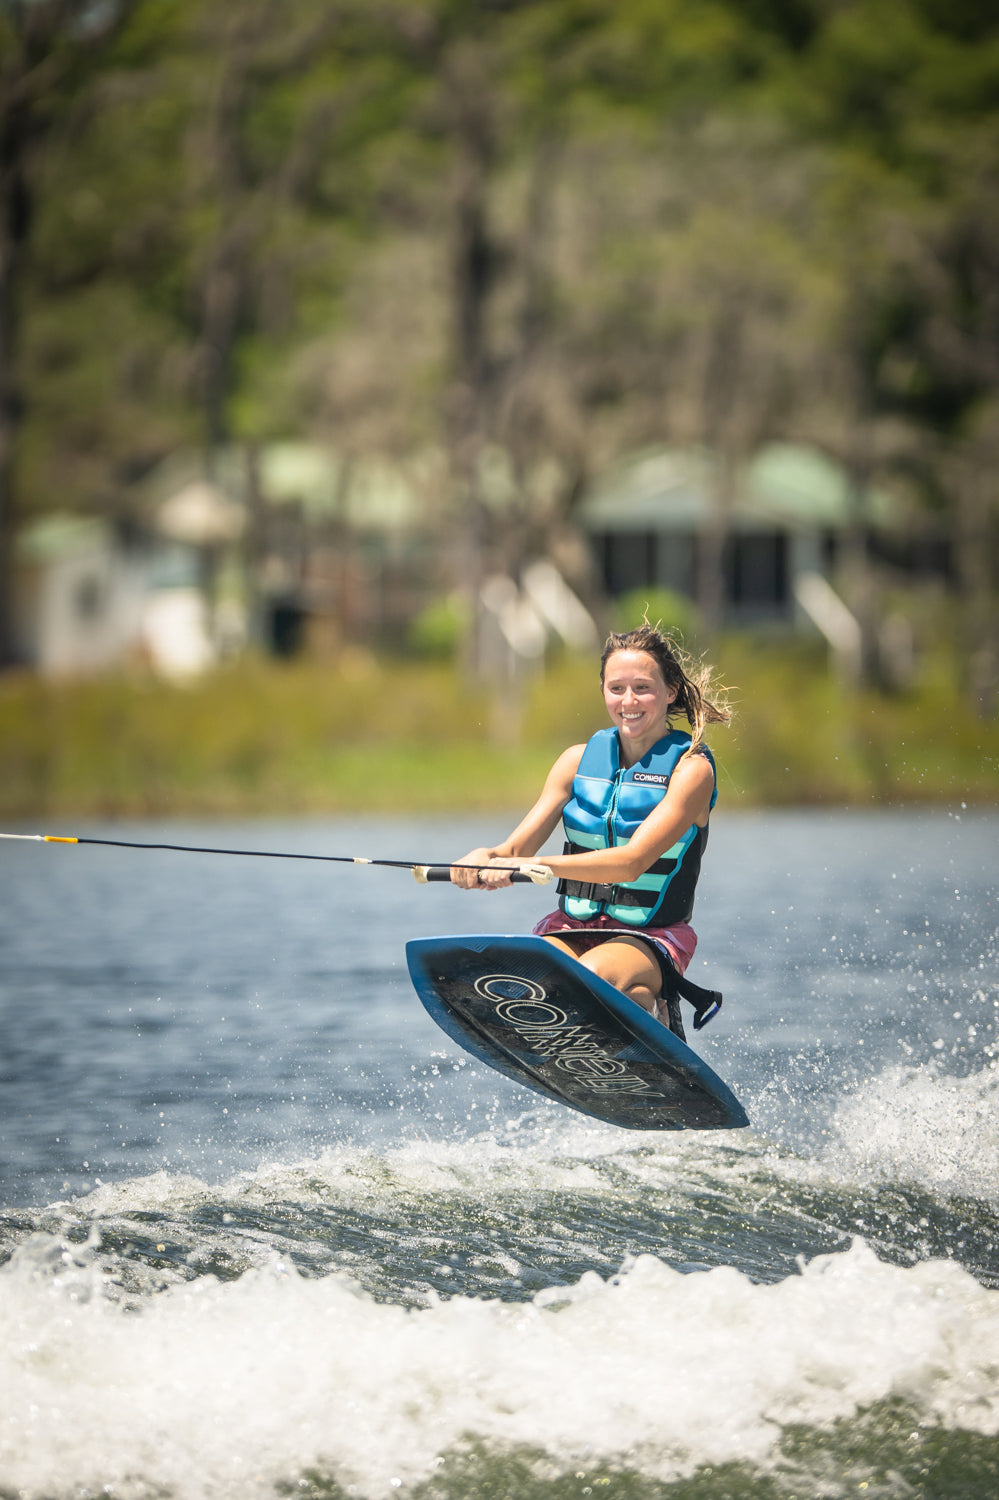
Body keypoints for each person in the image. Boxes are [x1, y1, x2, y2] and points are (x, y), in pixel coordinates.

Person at [451, 624, 730, 1037]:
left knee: (589, 978)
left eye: (642, 688)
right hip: (573, 927)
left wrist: (532, 866)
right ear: (603, 691)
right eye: (616, 688)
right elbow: (514, 848)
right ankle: (635, 1003)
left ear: (670, 691)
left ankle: (644, 1005)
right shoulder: (575, 763)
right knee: (524, 981)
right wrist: (485, 858)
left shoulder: (691, 770)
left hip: (650, 935)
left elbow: (631, 862)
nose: (628, 701)